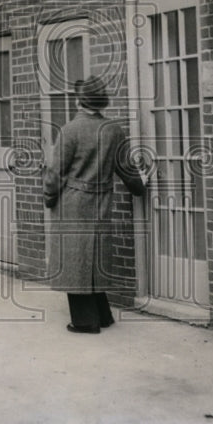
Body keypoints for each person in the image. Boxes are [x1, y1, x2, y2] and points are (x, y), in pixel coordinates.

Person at [43, 75, 147, 333]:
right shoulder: (114, 130)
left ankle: (85, 321)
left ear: (79, 101)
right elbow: (127, 169)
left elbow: (56, 173)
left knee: (75, 261)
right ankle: (103, 316)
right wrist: (139, 187)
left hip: (72, 203)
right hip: (101, 200)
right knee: (93, 257)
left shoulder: (70, 130)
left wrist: (49, 197)